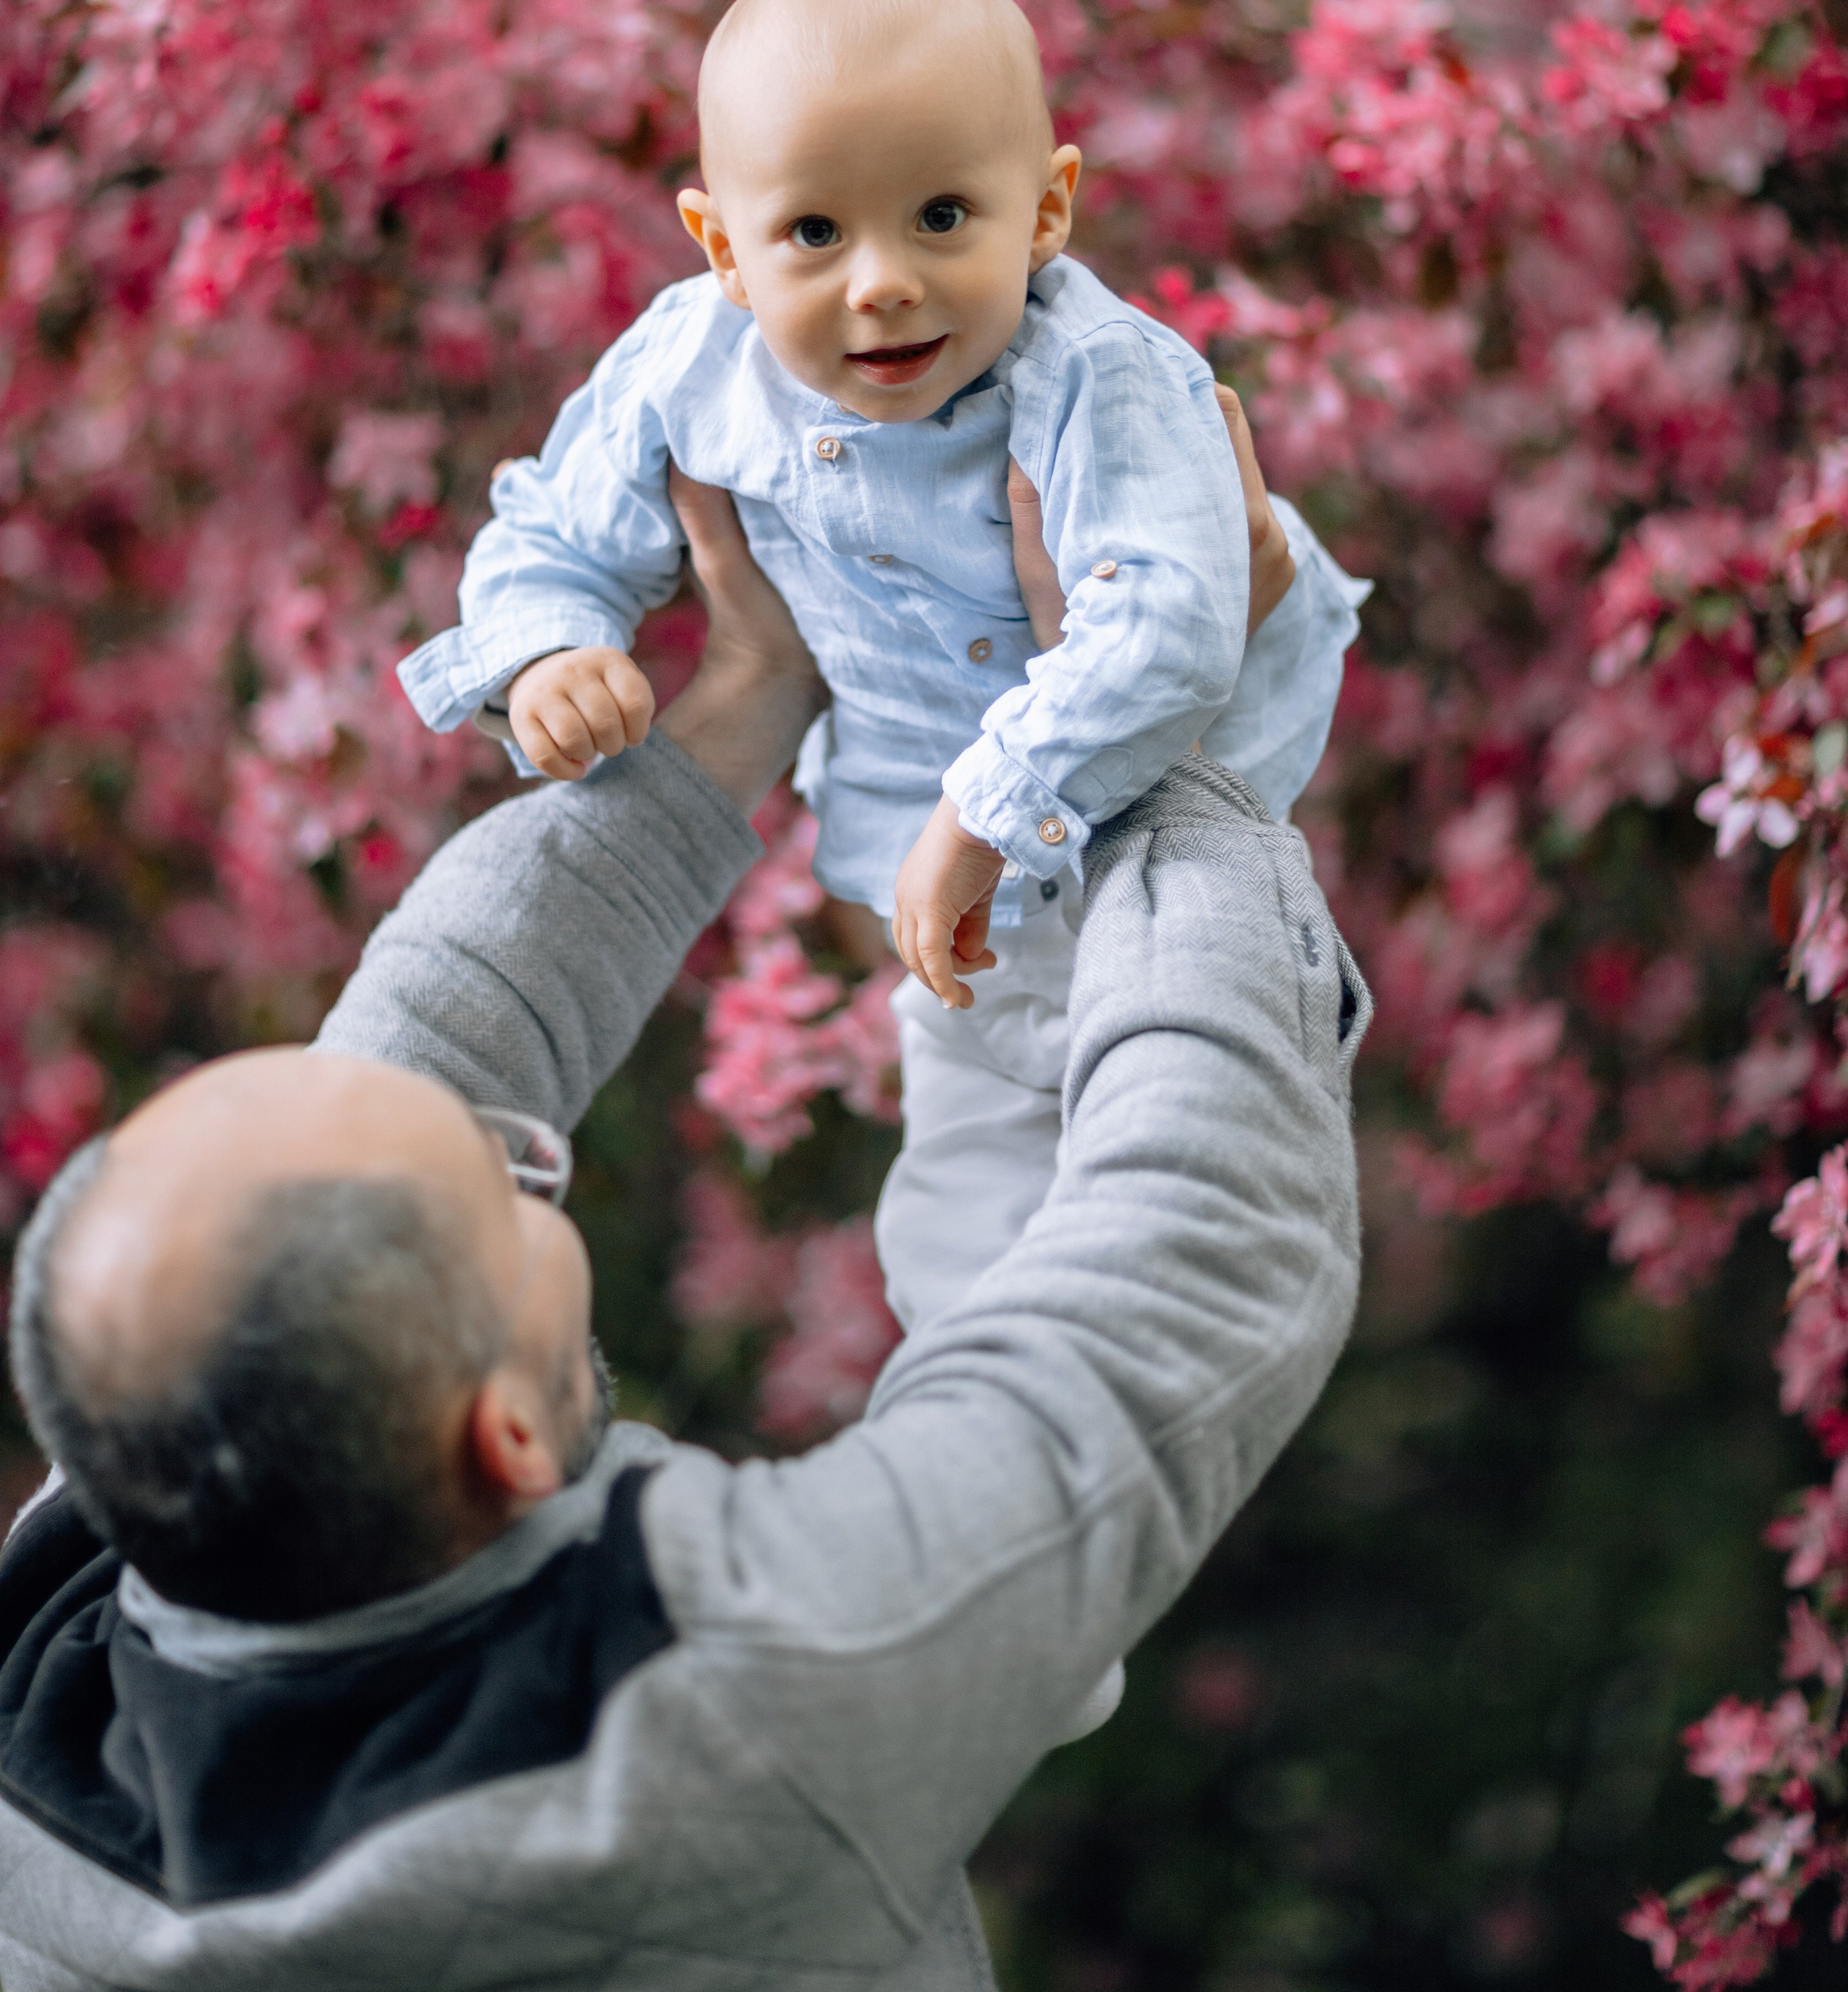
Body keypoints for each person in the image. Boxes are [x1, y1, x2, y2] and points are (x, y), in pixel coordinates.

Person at [0, 461, 1369, 1992]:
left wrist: (747, 694)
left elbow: (417, 1050)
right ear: (505, 1436)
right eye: (510, 1193)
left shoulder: (69, 1626)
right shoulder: (747, 1694)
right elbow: (1191, 1246)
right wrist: (1159, 742)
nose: (522, 1150)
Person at [398, 0, 1368, 1350]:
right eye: (812, 233)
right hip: (939, 865)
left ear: (1043, 214)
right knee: (955, 1232)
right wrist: (551, 650)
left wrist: (992, 804)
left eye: (938, 218)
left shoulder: (1094, 372)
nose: (880, 283)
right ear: (722, 246)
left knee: (1182, 1124)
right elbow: (547, 532)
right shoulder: (690, 364)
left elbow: (1167, 627)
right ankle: (986, 1436)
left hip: (1159, 795)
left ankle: (1204, 1227)